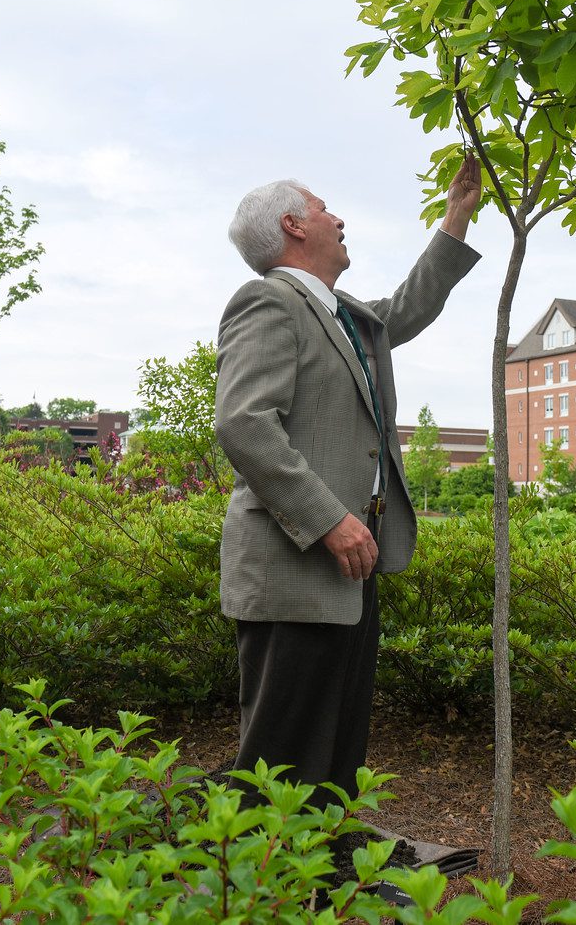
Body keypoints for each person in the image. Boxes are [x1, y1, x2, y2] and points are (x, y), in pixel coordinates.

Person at [214, 160, 482, 805]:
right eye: (324, 207)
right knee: (283, 751)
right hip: (296, 562)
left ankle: (329, 869)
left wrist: (458, 215)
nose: (338, 218)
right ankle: (262, 884)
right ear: (293, 225)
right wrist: (330, 520)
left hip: (344, 566)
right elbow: (245, 423)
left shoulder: (342, 315)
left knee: (336, 740)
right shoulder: (270, 301)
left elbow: (406, 310)